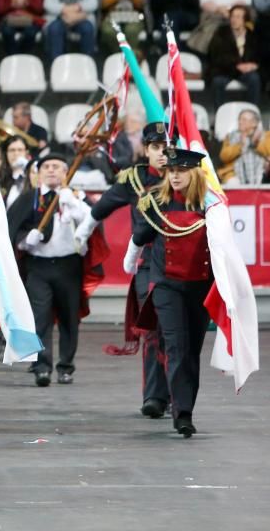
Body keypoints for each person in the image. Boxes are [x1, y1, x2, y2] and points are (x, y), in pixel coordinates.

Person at [74, 122, 171, 418]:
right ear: (145, 149)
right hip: (147, 263)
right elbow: (103, 206)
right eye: (156, 147)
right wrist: (83, 232)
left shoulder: (189, 177)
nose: (162, 154)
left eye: (167, 147)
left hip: (181, 265)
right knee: (154, 329)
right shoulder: (134, 180)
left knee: (179, 335)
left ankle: (178, 396)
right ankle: (155, 396)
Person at [126, 148, 213, 438]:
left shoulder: (210, 206)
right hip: (166, 286)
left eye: (182, 171)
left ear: (195, 173)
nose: (175, 175)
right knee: (175, 346)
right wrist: (130, 264)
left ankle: (184, 405)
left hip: (200, 287)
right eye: (172, 170)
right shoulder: (156, 203)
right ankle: (182, 414)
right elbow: (139, 238)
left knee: (191, 351)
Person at [8, 153, 90, 386]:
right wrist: (25, 239)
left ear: (66, 173)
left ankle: (66, 367)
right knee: (39, 317)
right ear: (39, 172)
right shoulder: (29, 198)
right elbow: (11, 227)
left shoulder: (76, 197)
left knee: (68, 318)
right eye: (46, 167)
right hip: (38, 266)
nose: (51, 170)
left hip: (69, 265)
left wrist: (73, 204)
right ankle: (41, 366)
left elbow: (92, 221)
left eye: (57, 166)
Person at [209, 4, 263, 108]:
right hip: (225, 70)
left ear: (245, 20)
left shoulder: (253, 34)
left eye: (238, 17)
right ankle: (219, 116)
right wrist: (236, 65)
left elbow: (260, 55)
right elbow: (216, 56)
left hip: (246, 71)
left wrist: (254, 65)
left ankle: (251, 112)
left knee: (254, 78)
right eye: (232, 16)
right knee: (217, 82)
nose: (234, 20)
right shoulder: (221, 32)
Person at [219, 109, 270, 185]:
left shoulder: (265, 135)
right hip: (235, 174)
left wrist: (257, 143)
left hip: (262, 172)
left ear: (254, 123)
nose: (240, 122)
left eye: (244, 120)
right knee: (232, 182)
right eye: (239, 119)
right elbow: (224, 157)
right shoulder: (231, 136)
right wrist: (240, 145)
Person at [0, 134, 31, 207]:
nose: (16, 153)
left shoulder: (32, 176)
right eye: (12, 150)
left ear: (26, 153)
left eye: (20, 150)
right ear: (6, 153)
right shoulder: (0, 177)